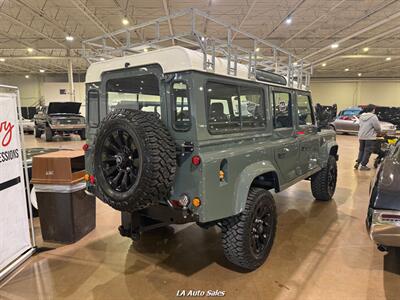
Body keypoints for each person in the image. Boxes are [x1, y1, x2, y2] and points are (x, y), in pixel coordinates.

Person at [354, 104, 381, 171]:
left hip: (361, 136)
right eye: (374, 109)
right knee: (367, 151)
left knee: (361, 150)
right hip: (369, 137)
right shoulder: (373, 117)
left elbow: (360, 125)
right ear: (373, 109)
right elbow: (377, 127)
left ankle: (358, 162)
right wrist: (379, 131)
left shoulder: (361, 116)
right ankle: (363, 165)